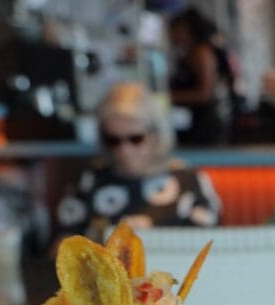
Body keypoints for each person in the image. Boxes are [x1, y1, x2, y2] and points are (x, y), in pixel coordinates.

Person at [55, 82, 222, 240]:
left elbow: (211, 247)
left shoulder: (189, 180)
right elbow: (62, 248)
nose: (124, 150)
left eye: (135, 139)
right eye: (113, 140)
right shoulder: (89, 181)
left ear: (155, 134)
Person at [168, 8, 235, 146]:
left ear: (187, 29)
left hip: (206, 122)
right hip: (193, 118)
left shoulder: (202, 53)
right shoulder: (189, 53)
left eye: (175, 30)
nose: (172, 35)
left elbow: (205, 93)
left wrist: (168, 98)